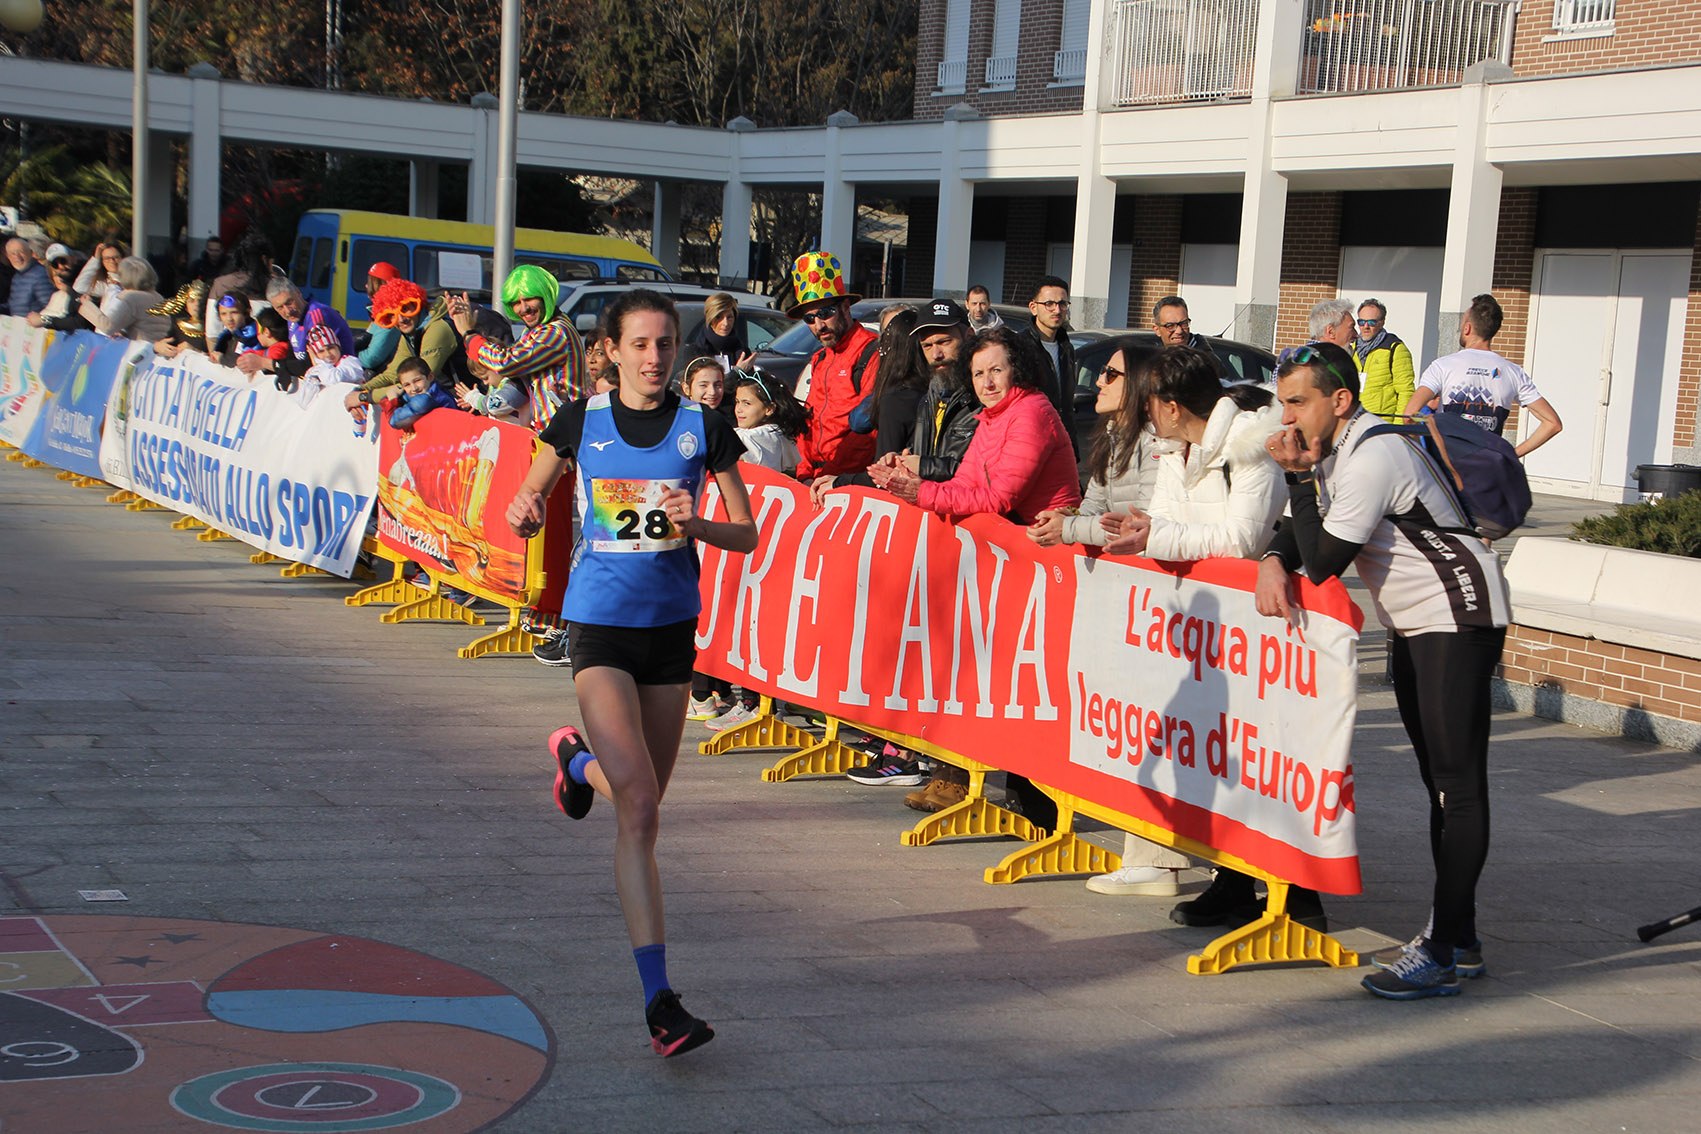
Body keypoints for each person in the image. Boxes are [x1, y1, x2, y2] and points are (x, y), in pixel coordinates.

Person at [507, 288, 756, 1057]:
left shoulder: (702, 428)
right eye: (640, 345)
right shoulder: (579, 421)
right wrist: (524, 511)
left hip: (670, 639)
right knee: (641, 804)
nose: (655, 358)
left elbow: (745, 534)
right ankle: (659, 1004)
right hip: (601, 633)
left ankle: (575, 763)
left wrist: (700, 524)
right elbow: (528, 493)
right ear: (608, 352)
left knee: (640, 811)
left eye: (666, 345)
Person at [1259, 339, 1510, 1000]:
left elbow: (1322, 559)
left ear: (1338, 400)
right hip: (1417, 623)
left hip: (1456, 617)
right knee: (1438, 784)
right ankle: (1461, 937)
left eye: (1296, 402)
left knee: (1456, 784)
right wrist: (1270, 555)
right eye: (1281, 401)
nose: (1284, 417)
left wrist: (1294, 481)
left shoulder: (1374, 455)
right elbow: (1296, 534)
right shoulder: (1341, 448)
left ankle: (1442, 947)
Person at [870, 326, 1080, 828]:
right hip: (1002, 563)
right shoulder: (992, 417)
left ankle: (1031, 800)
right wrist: (918, 484)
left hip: (1041, 566)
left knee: (1021, 684)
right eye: (978, 372)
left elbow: (998, 498)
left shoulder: (1032, 412)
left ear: (1017, 371)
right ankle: (960, 775)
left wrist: (918, 492)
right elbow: (966, 483)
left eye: (996, 370)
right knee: (976, 673)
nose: (987, 381)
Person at [1403, 293, 1563, 457]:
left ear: (1468, 328)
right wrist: (1510, 455)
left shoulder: (1442, 366)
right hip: (1489, 468)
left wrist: (1427, 456)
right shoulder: (1513, 372)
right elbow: (1553, 423)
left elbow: (1409, 414)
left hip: (1450, 468)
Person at [449, 264, 587, 433]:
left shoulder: (555, 332)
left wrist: (469, 334)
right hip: (549, 434)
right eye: (516, 302)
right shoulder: (533, 330)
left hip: (564, 435)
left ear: (545, 296)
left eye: (529, 299)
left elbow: (506, 362)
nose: (524, 308)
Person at [789, 251, 879, 482]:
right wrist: (805, 473)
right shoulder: (820, 358)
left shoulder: (871, 352)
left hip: (848, 482)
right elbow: (808, 423)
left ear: (846, 307)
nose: (818, 324)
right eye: (809, 319)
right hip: (817, 480)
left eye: (826, 313)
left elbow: (868, 433)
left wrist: (832, 477)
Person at [258, 277, 357, 364]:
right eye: (280, 307)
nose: (287, 310)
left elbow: (312, 363)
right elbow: (292, 357)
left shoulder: (316, 315)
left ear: (298, 293)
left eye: (289, 302)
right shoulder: (293, 317)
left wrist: (266, 364)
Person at [77, 256, 169, 340]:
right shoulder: (158, 297)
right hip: (155, 349)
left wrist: (86, 305)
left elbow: (108, 326)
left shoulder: (132, 298)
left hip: (140, 351)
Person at [1352, 298, 1415, 419]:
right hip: (1355, 421)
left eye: (1371, 322)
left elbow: (1406, 391)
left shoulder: (1395, 348)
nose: (1365, 327)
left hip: (1382, 423)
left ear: (1382, 323)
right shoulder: (1352, 349)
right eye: (1361, 322)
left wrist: (1398, 427)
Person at [731, 369, 804, 474]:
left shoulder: (758, 436)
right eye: (737, 402)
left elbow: (725, 440)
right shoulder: (777, 432)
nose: (739, 409)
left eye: (747, 403)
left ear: (769, 409)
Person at [683, 292, 757, 374]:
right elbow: (707, 384)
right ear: (710, 319)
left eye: (729, 317)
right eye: (718, 317)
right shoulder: (695, 351)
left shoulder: (742, 351)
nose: (725, 323)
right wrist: (737, 372)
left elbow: (749, 384)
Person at [386, 356, 458, 429]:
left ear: (430, 377)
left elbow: (394, 421)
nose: (414, 388)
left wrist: (393, 400)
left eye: (417, 380)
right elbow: (405, 398)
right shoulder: (429, 388)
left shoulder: (427, 398)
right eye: (407, 385)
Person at [357, 261, 404, 373]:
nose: (366, 286)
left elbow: (371, 359)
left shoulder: (389, 317)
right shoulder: (380, 312)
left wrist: (348, 355)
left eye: (370, 283)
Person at [26, 245, 86, 331]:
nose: (61, 267)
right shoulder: (57, 296)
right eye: (55, 264)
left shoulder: (84, 286)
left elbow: (80, 322)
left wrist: (44, 320)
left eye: (63, 261)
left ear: (74, 259)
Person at [5, 236, 52, 318]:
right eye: (12, 253)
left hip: (33, 328)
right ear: (8, 256)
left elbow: (49, 307)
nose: (17, 257)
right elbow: (14, 306)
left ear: (31, 253)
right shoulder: (17, 277)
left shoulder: (40, 274)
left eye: (21, 252)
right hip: (19, 327)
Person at [213, 293, 264, 363]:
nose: (229, 318)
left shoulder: (254, 336)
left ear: (246, 313)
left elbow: (246, 363)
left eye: (234, 312)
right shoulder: (227, 336)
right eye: (223, 314)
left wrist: (222, 359)